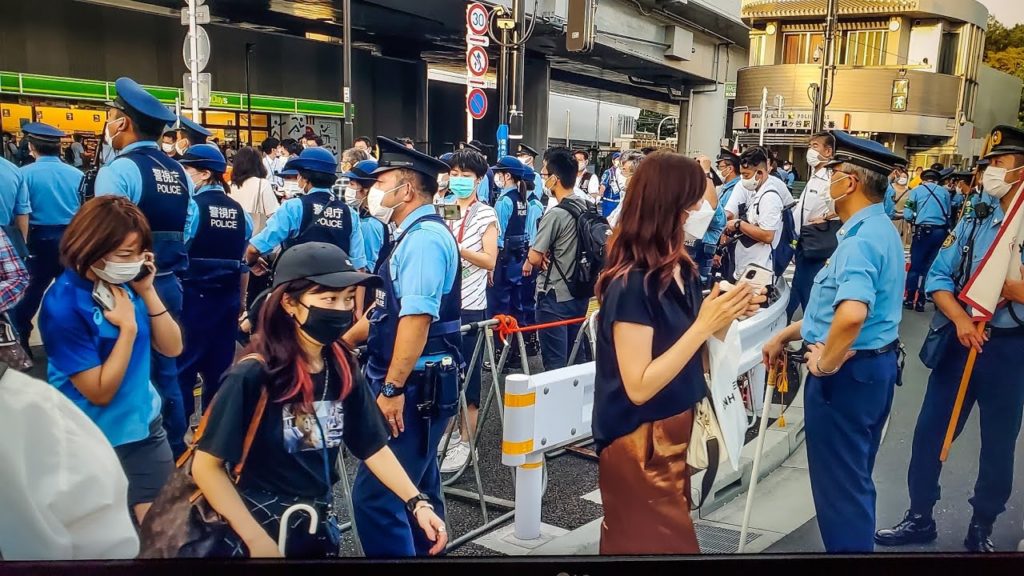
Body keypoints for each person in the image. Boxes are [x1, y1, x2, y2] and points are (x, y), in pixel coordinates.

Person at [193, 242, 447, 558]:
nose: (341, 309)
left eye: (346, 299)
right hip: (259, 527)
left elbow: (372, 446)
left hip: (314, 524)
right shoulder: (254, 373)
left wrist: (416, 502)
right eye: (328, 298)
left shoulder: (341, 366)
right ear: (289, 303)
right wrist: (256, 540)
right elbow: (206, 466)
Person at [594, 151, 761, 555]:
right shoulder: (631, 282)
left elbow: (692, 353)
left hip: (674, 436)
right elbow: (638, 385)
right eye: (694, 202)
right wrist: (705, 323)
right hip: (639, 443)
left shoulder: (681, 269)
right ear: (669, 208)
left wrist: (725, 315)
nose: (703, 209)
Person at [874, 124, 1024, 554]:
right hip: (961, 342)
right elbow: (940, 275)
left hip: (1009, 348)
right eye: (987, 164)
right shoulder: (976, 216)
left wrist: (1010, 290)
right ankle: (919, 516)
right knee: (931, 432)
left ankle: (982, 524)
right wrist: (958, 317)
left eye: (999, 163)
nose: (990, 172)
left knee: (999, 442)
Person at [763, 131, 905, 553]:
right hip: (872, 370)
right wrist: (788, 333)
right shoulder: (878, 230)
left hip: (846, 376)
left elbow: (852, 314)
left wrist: (823, 364)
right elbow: (832, 312)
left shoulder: (860, 241)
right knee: (854, 480)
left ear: (852, 182)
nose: (825, 182)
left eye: (832, 173)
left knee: (839, 492)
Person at [342, 137, 462, 557]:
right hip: (419, 380)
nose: (372, 190)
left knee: (377, 497)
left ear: (406, 189)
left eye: (381, 181)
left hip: (414, 385)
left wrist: (392, 389)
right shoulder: (410, 234)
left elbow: (415, 320)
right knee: (419, 486)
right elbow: (384, 312)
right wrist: (340, 340)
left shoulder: (424, 240)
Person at [39, 196, 184, 524]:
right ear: (90, 246)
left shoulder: (125, 284)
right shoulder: (63, 305)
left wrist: (147, 291)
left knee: (168, 534)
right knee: (103, 541)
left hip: (145, 430)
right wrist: (128, 330)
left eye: (138, 254)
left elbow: (172, 347)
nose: (132, 262)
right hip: (91, 440)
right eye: (123, 255)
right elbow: (99, 391)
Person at [95, 76, 196, 459]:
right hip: (167, 284)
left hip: (125, 286)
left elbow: (105, 235)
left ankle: (131, 452)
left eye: (110, 117)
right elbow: (189, 228)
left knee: (124, 367)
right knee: (167, 370)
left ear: (122, 123)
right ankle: (172, 449)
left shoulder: (120, 170)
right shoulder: (179, 173)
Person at [0, 364, 140, 560]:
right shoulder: (28, 408)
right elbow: (99, 392)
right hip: (116, 427)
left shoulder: (27, 408)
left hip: (134, 426)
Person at [177, 144, 253, 449]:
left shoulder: (191, 208)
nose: (185, 174)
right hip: (227, 300)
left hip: (193, 299)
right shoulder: (240, 213)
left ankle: (182, 435)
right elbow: (243, 263)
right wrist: (242, 303)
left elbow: (182, 251)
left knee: (183, 369)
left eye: (189, 169)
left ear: (205, 173)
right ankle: (212, 433)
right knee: (219, 370)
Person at [439, 148, 498, 474]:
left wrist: (458, 248)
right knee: (443, 373)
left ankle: (467, 442)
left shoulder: (486, 214)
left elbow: (491, 260)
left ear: (478, 180)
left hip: (472, 306)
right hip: (443, 304)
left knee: (470, 378)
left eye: (466, 176)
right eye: (455, 174)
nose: (459, 180)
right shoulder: (442, 206)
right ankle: (445, 436)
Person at [12, 122, 84, 350]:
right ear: (59, 148)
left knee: (30, 292)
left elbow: (21, 212)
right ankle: (73, 339)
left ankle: (21, 339)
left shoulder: (23, 174)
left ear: (32, 147)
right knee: (74, 290)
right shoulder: (77, 174)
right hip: (72, 238)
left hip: (37, 238)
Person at [244, 147, 366, 274]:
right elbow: (359, 267)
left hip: (297, 287)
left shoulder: (293, 207)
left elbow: (254, 249)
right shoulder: (350, 214)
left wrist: (252, 263)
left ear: (305, 178)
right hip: (338, 288)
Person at [529, 147, 594, 371]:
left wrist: (542, 254)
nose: (543, 179)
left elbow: (534, 256)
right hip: (581, 291)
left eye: (545, 175)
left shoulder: (555, 214)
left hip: (554, 295)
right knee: (577, 358)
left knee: (555, 365)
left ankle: (557, 406)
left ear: (555, 179)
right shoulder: (588, 206)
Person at [787, 133, 835, 320]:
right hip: (802, 241)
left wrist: (826, 216)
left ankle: (812, 341)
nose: (810, 151)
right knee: (799, 288)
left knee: (809, 292)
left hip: (816, 242)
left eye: (815, 146)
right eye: (809, 146)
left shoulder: (831, 178)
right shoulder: (815, 176)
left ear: (828, 151)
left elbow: (839, 206)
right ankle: (783, 331)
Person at [723, 146, 785, 280]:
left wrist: (739, 224)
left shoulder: (769, 197)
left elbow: (768, 235)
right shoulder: (757, 193)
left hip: (758, 273)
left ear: (760, 173)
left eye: (746, 175)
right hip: (747, 268)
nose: (743, 179)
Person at [488, 156, 530, 350]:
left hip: (504, 260)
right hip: (517, 258)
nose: (496, 177)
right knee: (516, 304)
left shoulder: (504, 201)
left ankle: (501, 349)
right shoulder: (522, 200)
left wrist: (491, 266)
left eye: (498, 173)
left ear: (506, 176)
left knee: (500, 307)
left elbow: (498, 236)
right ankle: (515, 350)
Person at [903, 165, 952, 312]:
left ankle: (910, 298)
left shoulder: (915, 191)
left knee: (915, 266)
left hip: (922, 232)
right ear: (937, 180)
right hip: (940, 232)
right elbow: (948, 213)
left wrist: (915, 218)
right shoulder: (945, 192)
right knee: (929, 267)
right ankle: (921, 301)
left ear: (923, 180)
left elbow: (907, 214)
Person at [343, 159, 390, 276]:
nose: (348, 188)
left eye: (352, 184)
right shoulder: (380, 216)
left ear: (366, 190)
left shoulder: (369, 224)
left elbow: (366, 268)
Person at [229, 146, 280, 231]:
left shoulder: (228, 185)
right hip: (254, 237)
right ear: (259, 164)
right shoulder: (262, 184)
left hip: (233, 234)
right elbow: (273, 214)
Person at [710, 148, 741, 282]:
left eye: (720, 166)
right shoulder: (726, 187)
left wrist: (720, 250)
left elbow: (727, 217)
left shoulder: (735, 188)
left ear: (730, 169)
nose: (718, 170)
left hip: (727, 242)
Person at [598, 152, 624, 218]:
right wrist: (599, 197)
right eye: (617, 159)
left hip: (621, 202)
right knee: (608, 221)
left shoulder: (624, 172)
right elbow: (603, 185)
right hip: (609, 202)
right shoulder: (608, 172)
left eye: (621, 159)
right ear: (613, 161)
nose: (619, 161)